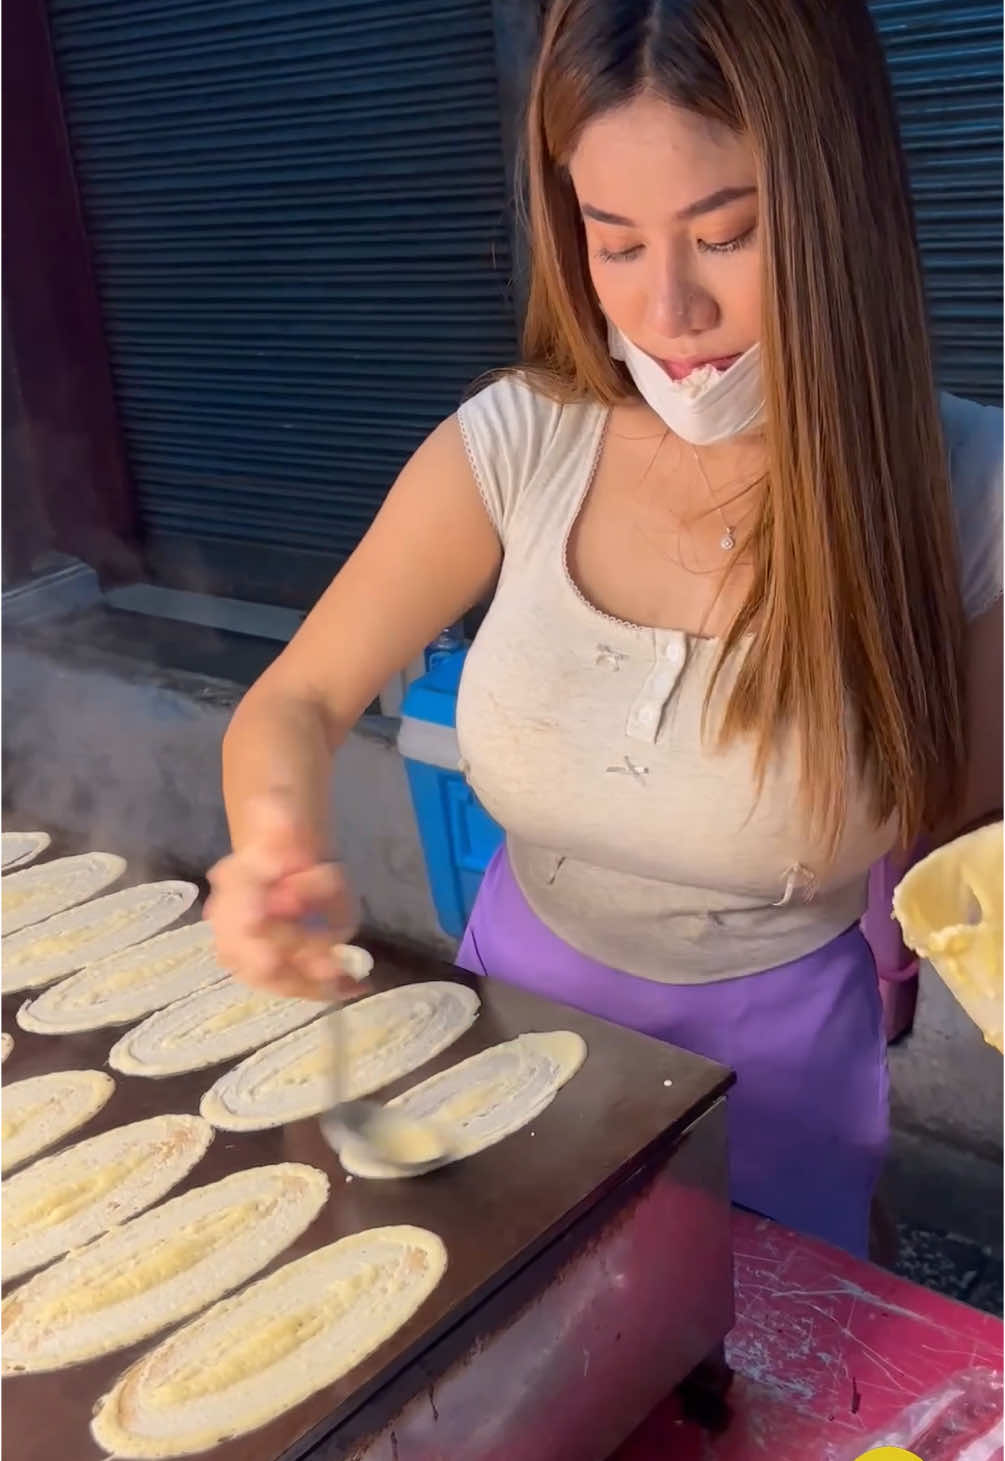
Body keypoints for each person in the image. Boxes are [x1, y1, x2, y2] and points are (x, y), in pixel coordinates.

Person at [206, 0, 1002, 1259]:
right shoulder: (522, 442)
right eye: (613, 242)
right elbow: (298, 701)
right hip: (512, 1018)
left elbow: (978, 838)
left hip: (780, 1075)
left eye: (727, 235)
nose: (666, 309)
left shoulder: (964, 490)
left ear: (840, 212)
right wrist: (272, 846)